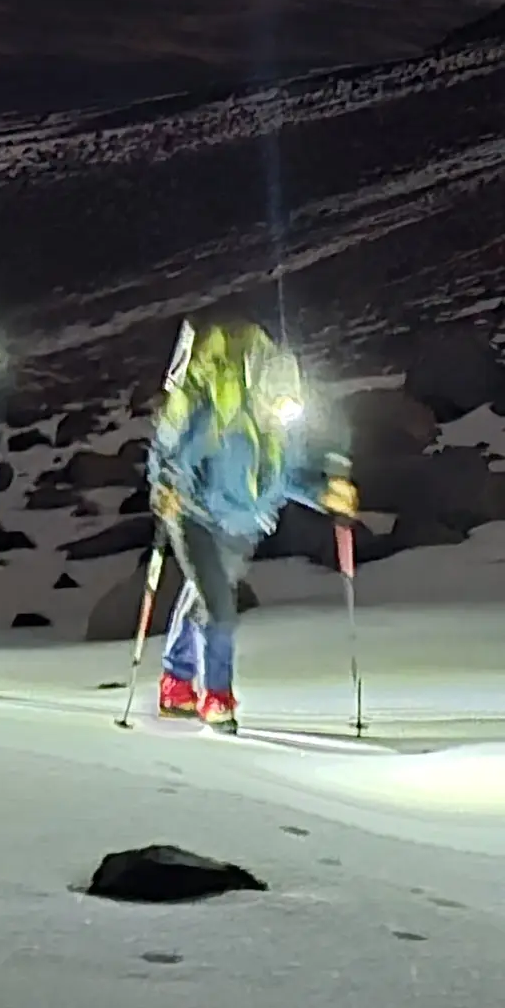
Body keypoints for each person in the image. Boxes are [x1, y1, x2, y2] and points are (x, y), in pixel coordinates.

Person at [144, 312, 352, 733]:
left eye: (287, 406)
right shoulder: (218, 415)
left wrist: (323, 494)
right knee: (220, 611)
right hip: (197, 516)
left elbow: (286, 477)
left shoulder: (280, 429)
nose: (280, 413)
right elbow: (174, 457)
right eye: (276, 403)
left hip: (243, 527)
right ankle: (217, 696)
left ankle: (175, 682)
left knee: (203, 598)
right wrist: (166, 488)